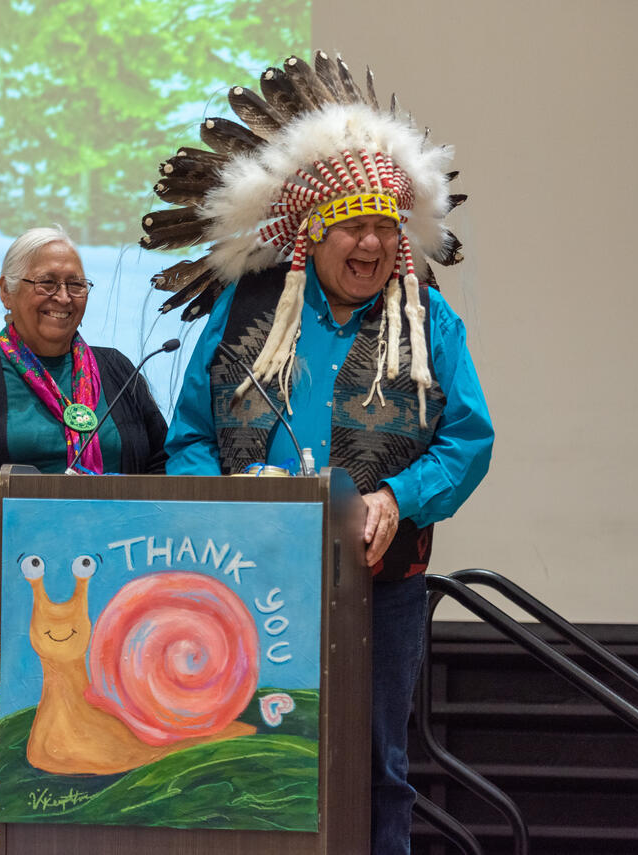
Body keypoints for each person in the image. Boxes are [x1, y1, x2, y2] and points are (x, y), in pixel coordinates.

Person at [141, 52, 494, 854]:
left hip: (380, 590)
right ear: (313, 230)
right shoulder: (243, 311)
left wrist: (396, 498)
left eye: (384, 227)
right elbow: (191, 435)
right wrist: (226, 504)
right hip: (244, 579)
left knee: (377, 767)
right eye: (352, 225)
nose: (370, 243)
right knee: (241, 758)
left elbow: (469, 438)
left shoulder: (427, 320)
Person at [0, 226, 168, 852]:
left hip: (114, 616)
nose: (63, 296)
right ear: (6, 291)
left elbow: (162, 464)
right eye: (45, 282)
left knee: (109, 788)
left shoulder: (116, 371)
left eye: (75, 283)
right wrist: (34, 496)